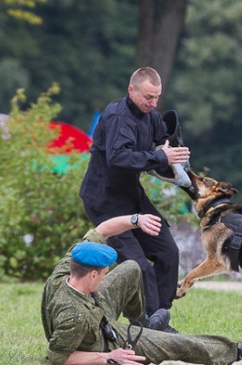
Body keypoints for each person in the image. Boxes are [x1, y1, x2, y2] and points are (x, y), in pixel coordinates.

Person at [40, 213, 242, 365]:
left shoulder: (68, 269)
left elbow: (103, 229)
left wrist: (136, 219)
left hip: (95, 305)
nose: (106, 277)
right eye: (103, 274)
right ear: (92, 274)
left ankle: (143, 323)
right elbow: (58, 357)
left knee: (131, 268)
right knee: (172, 342)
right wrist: (107, 357)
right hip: (101, 337)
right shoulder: (73, 316)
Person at [79, 67, 189, 332]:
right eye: (148, 97)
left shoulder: (150, 116)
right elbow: (118, 159)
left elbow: (162, 143)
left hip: (132, 198)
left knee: (168, 252)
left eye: (157, 98)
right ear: (132, 90)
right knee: (138, 266)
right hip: (104, 202)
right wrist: (160, 157)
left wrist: (174, 152)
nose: (153, 104)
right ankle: (145, 324)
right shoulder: (117, 117)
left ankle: (160, 317)